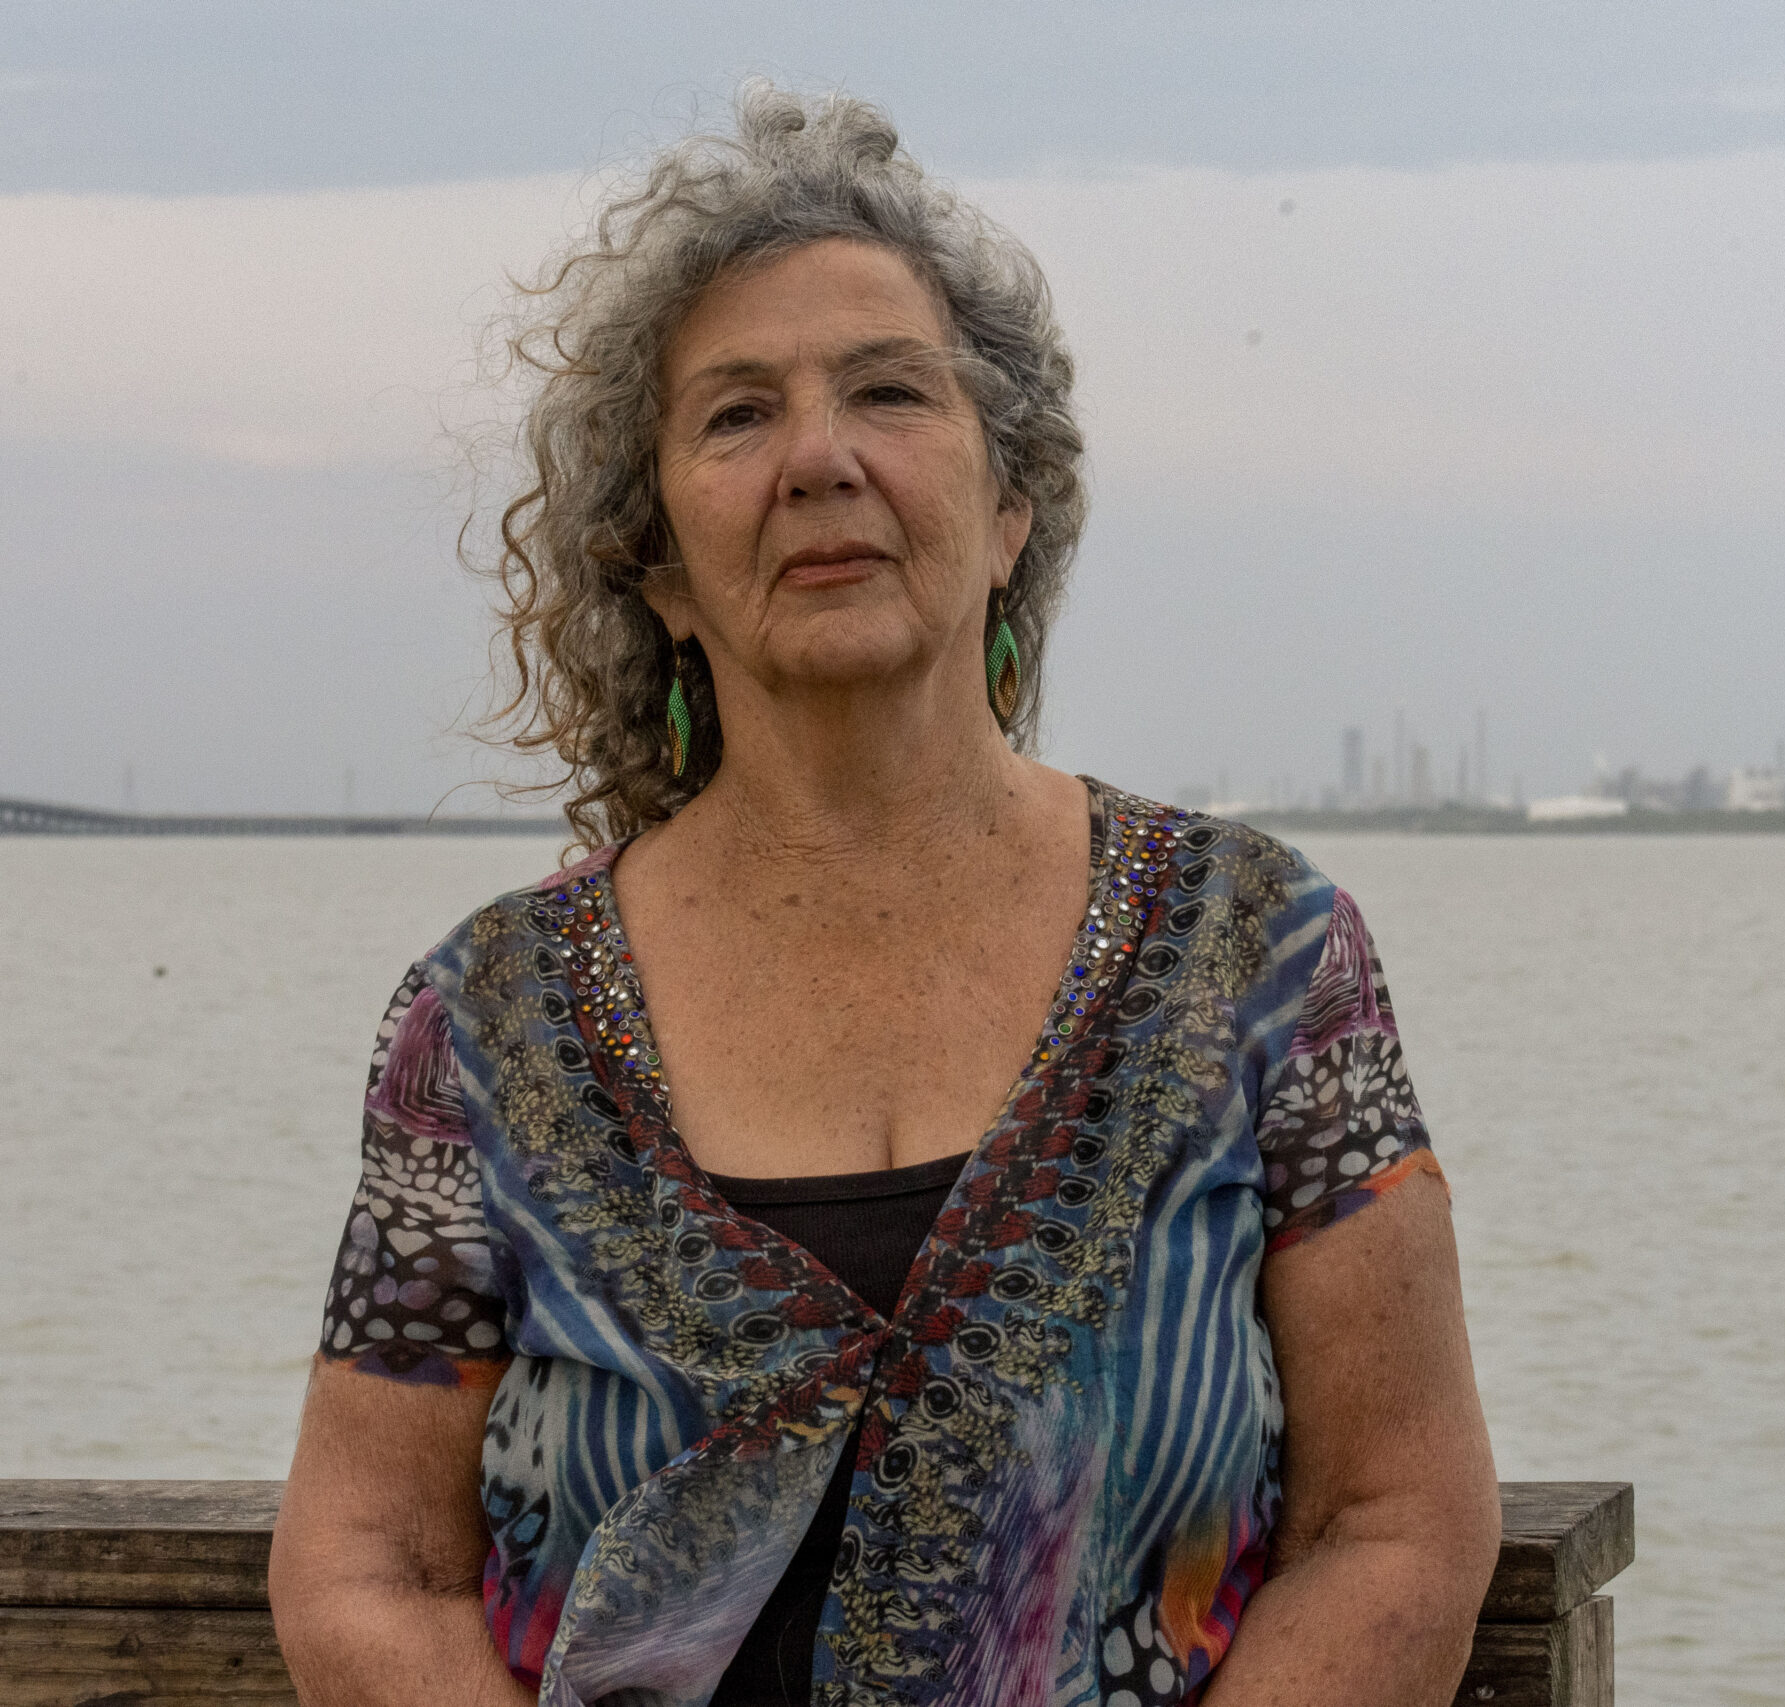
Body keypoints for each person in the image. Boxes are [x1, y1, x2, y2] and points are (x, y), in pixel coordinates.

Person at [266, 84, 1501, 1707]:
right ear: (659, 573)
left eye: (889, 392)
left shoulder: (1264, 955)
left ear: (1011, 513)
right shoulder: (488, 1023)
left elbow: (1398, 1520)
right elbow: (369, 1564)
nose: (818, 459)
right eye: (734, 415)